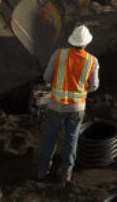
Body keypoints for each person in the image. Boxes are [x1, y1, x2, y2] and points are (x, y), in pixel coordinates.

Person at [37, 24, 99, 184]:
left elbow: (47, 77)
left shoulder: (59, 55)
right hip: (77, 108)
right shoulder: (92, 61)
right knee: (71, 141)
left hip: (56, 106)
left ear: (72, 41)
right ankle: (66, 175)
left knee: (49, 138)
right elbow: (93, 86)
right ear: (86, 43)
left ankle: (42, 172)